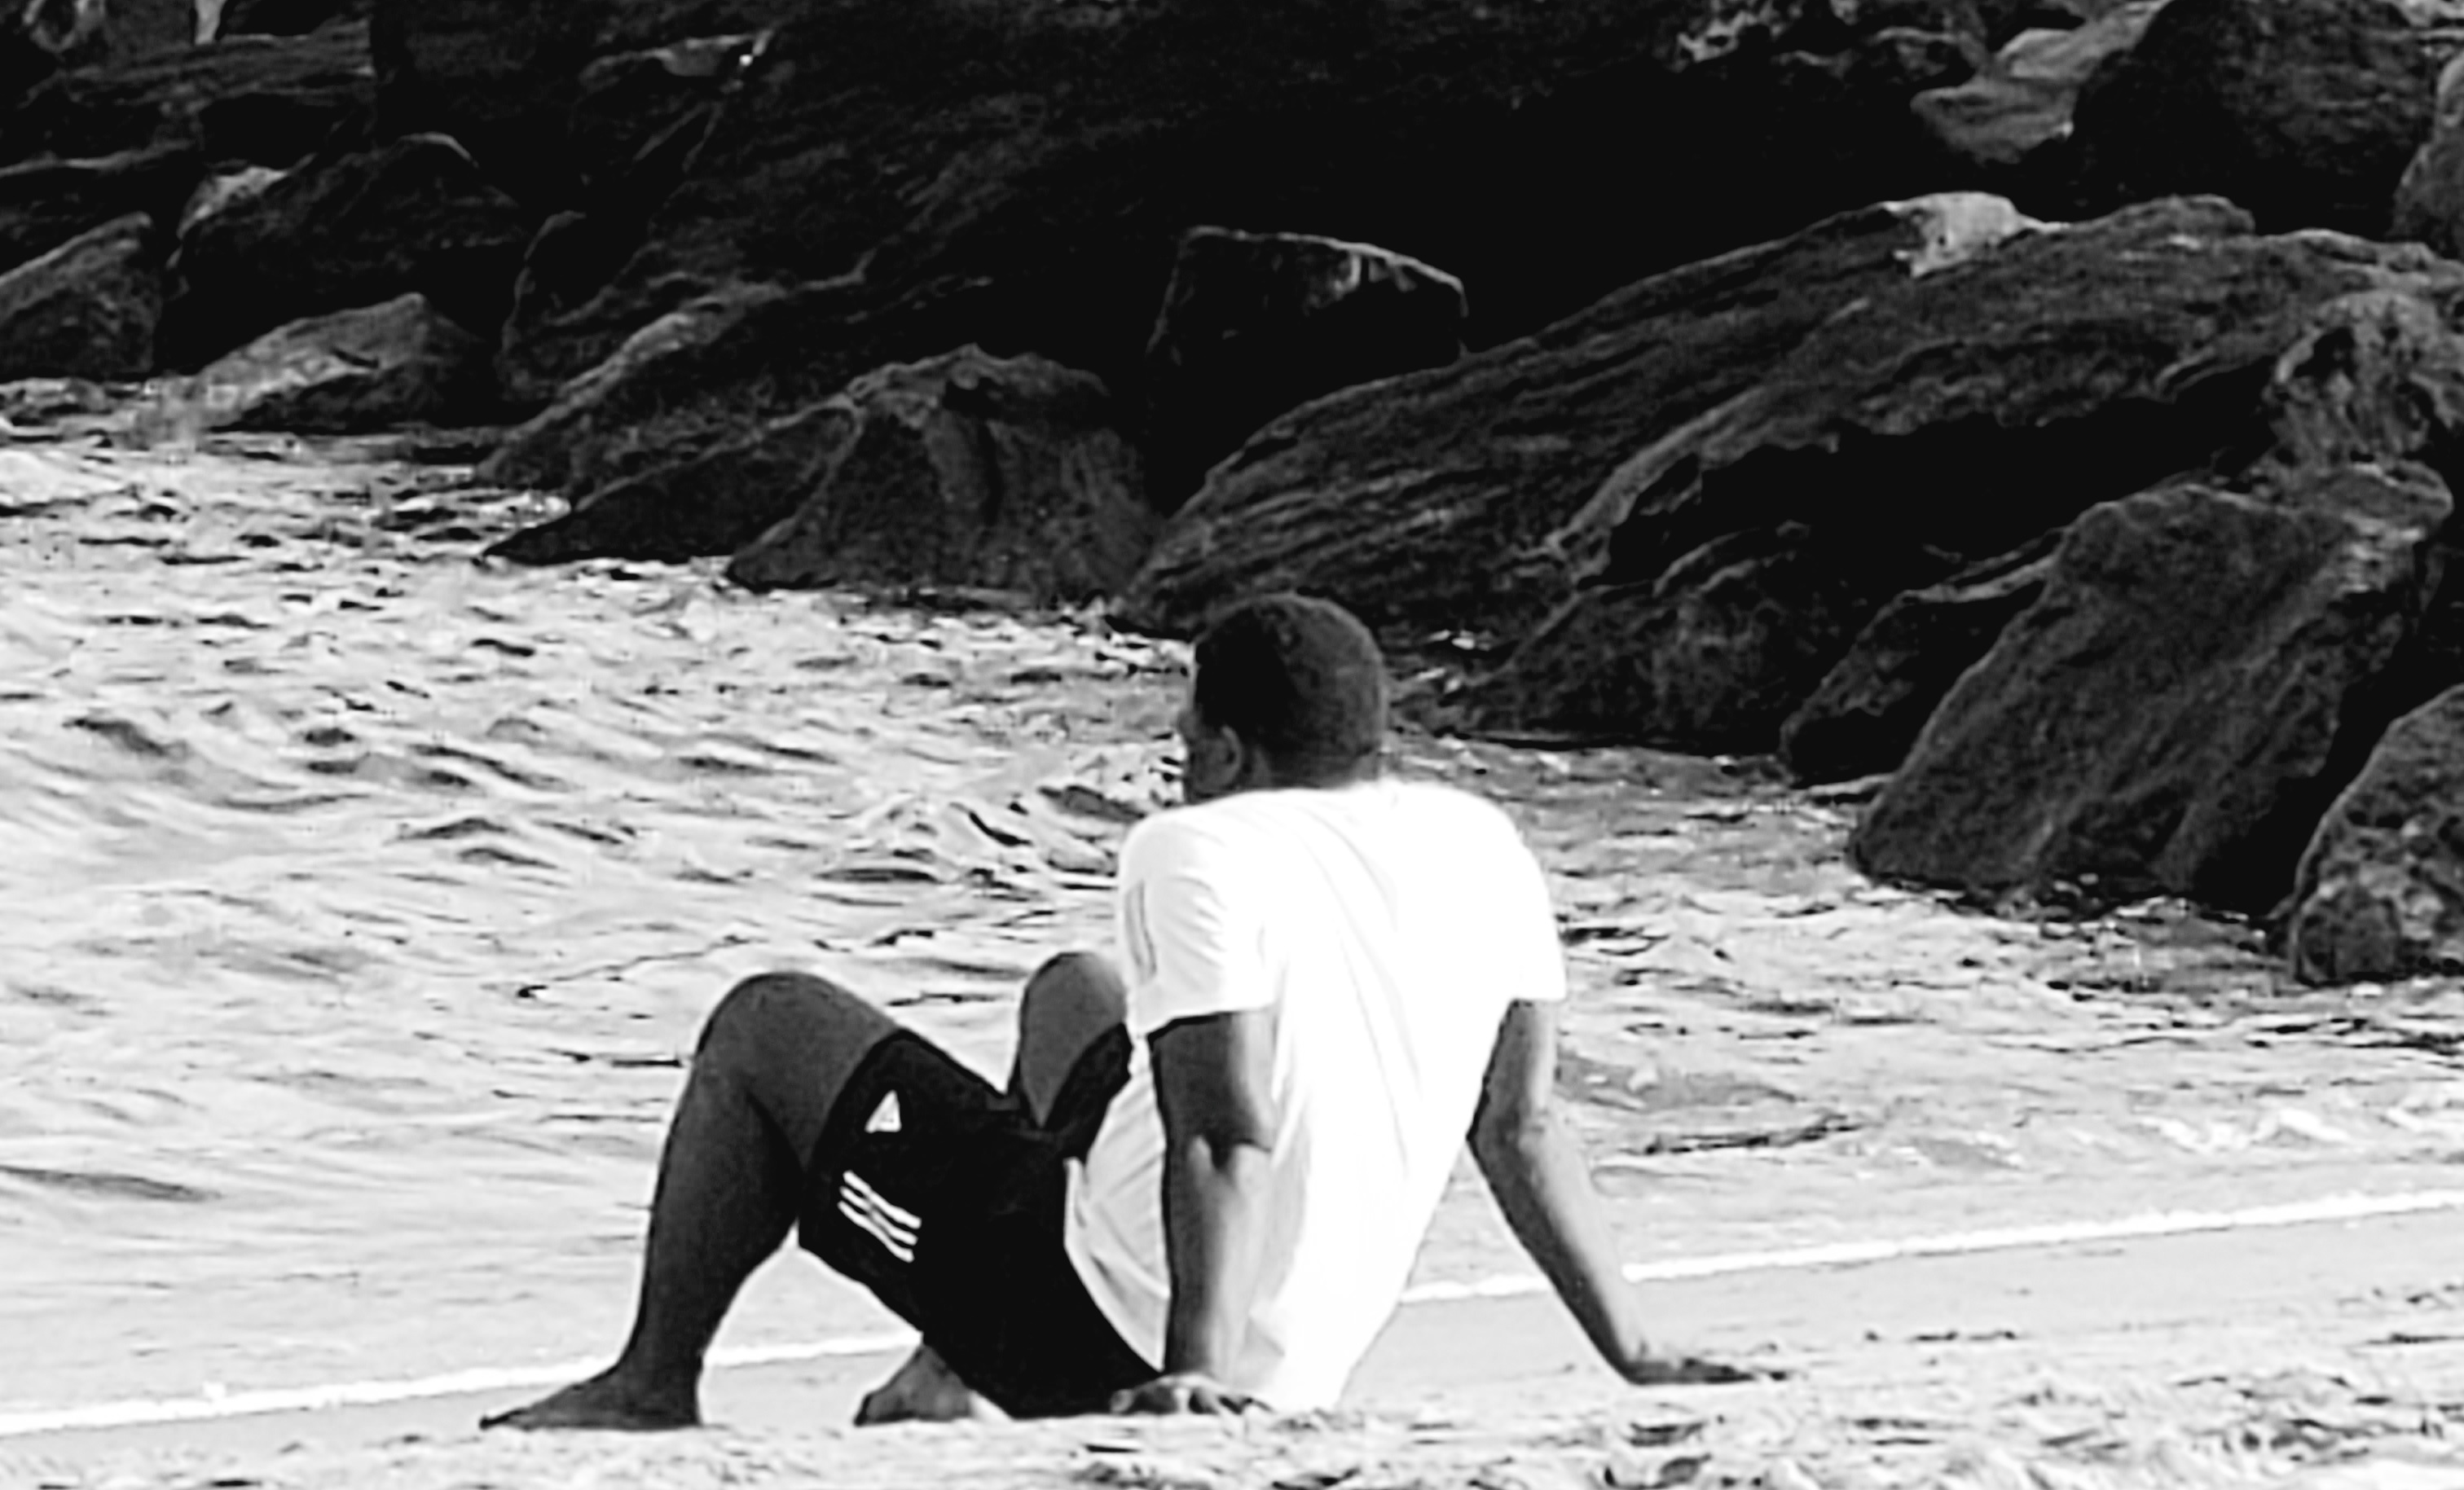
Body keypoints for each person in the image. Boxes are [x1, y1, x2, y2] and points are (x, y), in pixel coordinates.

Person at [490, 590, 1749, 1431]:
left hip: (1099, 1338)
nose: (1178, 757)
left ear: (1233, 752)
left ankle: (651, 1384)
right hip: (1303, 1366)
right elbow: (1522, 1128)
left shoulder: (1196, 850)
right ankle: (942, 1375)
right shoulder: (1481, 844)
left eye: (1189, 735)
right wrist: (1634, 1349)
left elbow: (1224, 1135)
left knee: (766, 1023)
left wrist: (1192, 1379)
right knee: (1075, 993)